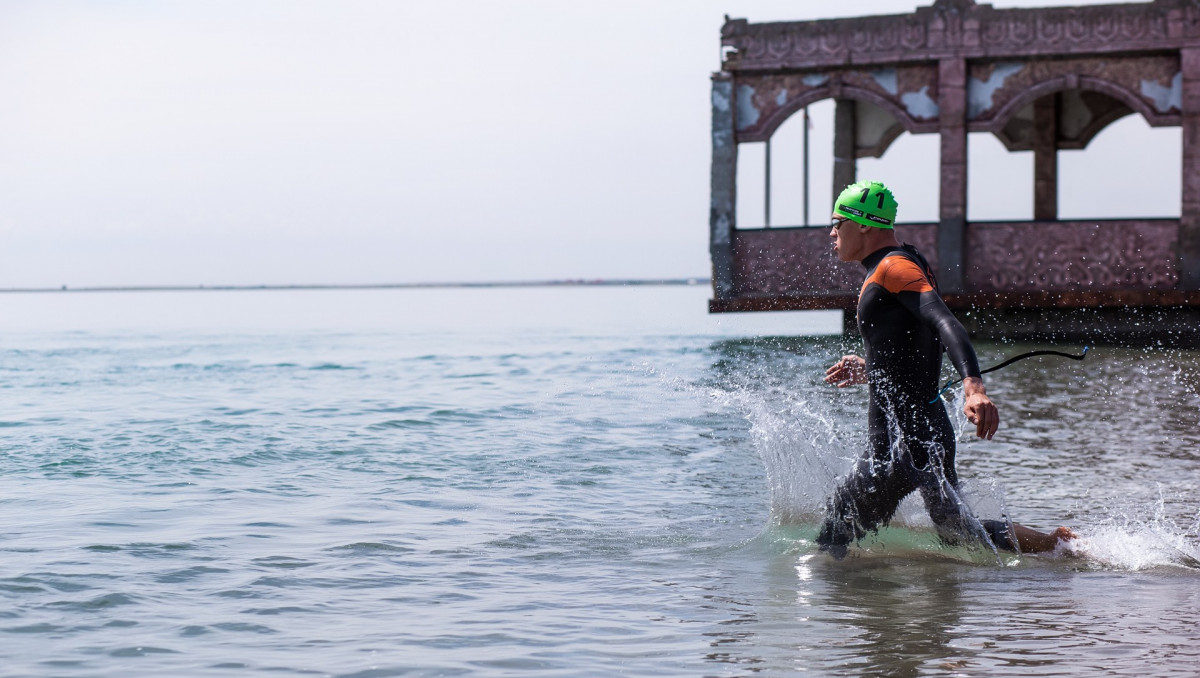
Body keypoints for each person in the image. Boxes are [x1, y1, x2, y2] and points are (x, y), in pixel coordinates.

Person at [817, 179, 1076, 558]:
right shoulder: (901, 261)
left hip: (903, 441)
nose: (832, 231)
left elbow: (945, 323)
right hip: (920, 431)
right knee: (956, 532)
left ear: (864, 225)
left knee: (832, 539)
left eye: (838, 221)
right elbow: (914, 346)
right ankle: (1058, 545)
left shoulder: (894, 267)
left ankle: (850, 609)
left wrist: (974, 388)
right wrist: (871, 368)